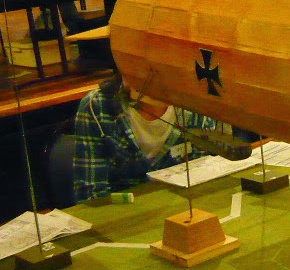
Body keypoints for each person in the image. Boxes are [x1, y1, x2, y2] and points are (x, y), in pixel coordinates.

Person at [73, 76, 218, 201]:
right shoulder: (98, 106)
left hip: (179, 206)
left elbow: (204, 179)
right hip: (124, 213)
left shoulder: (196, 101)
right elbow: (91, 195)